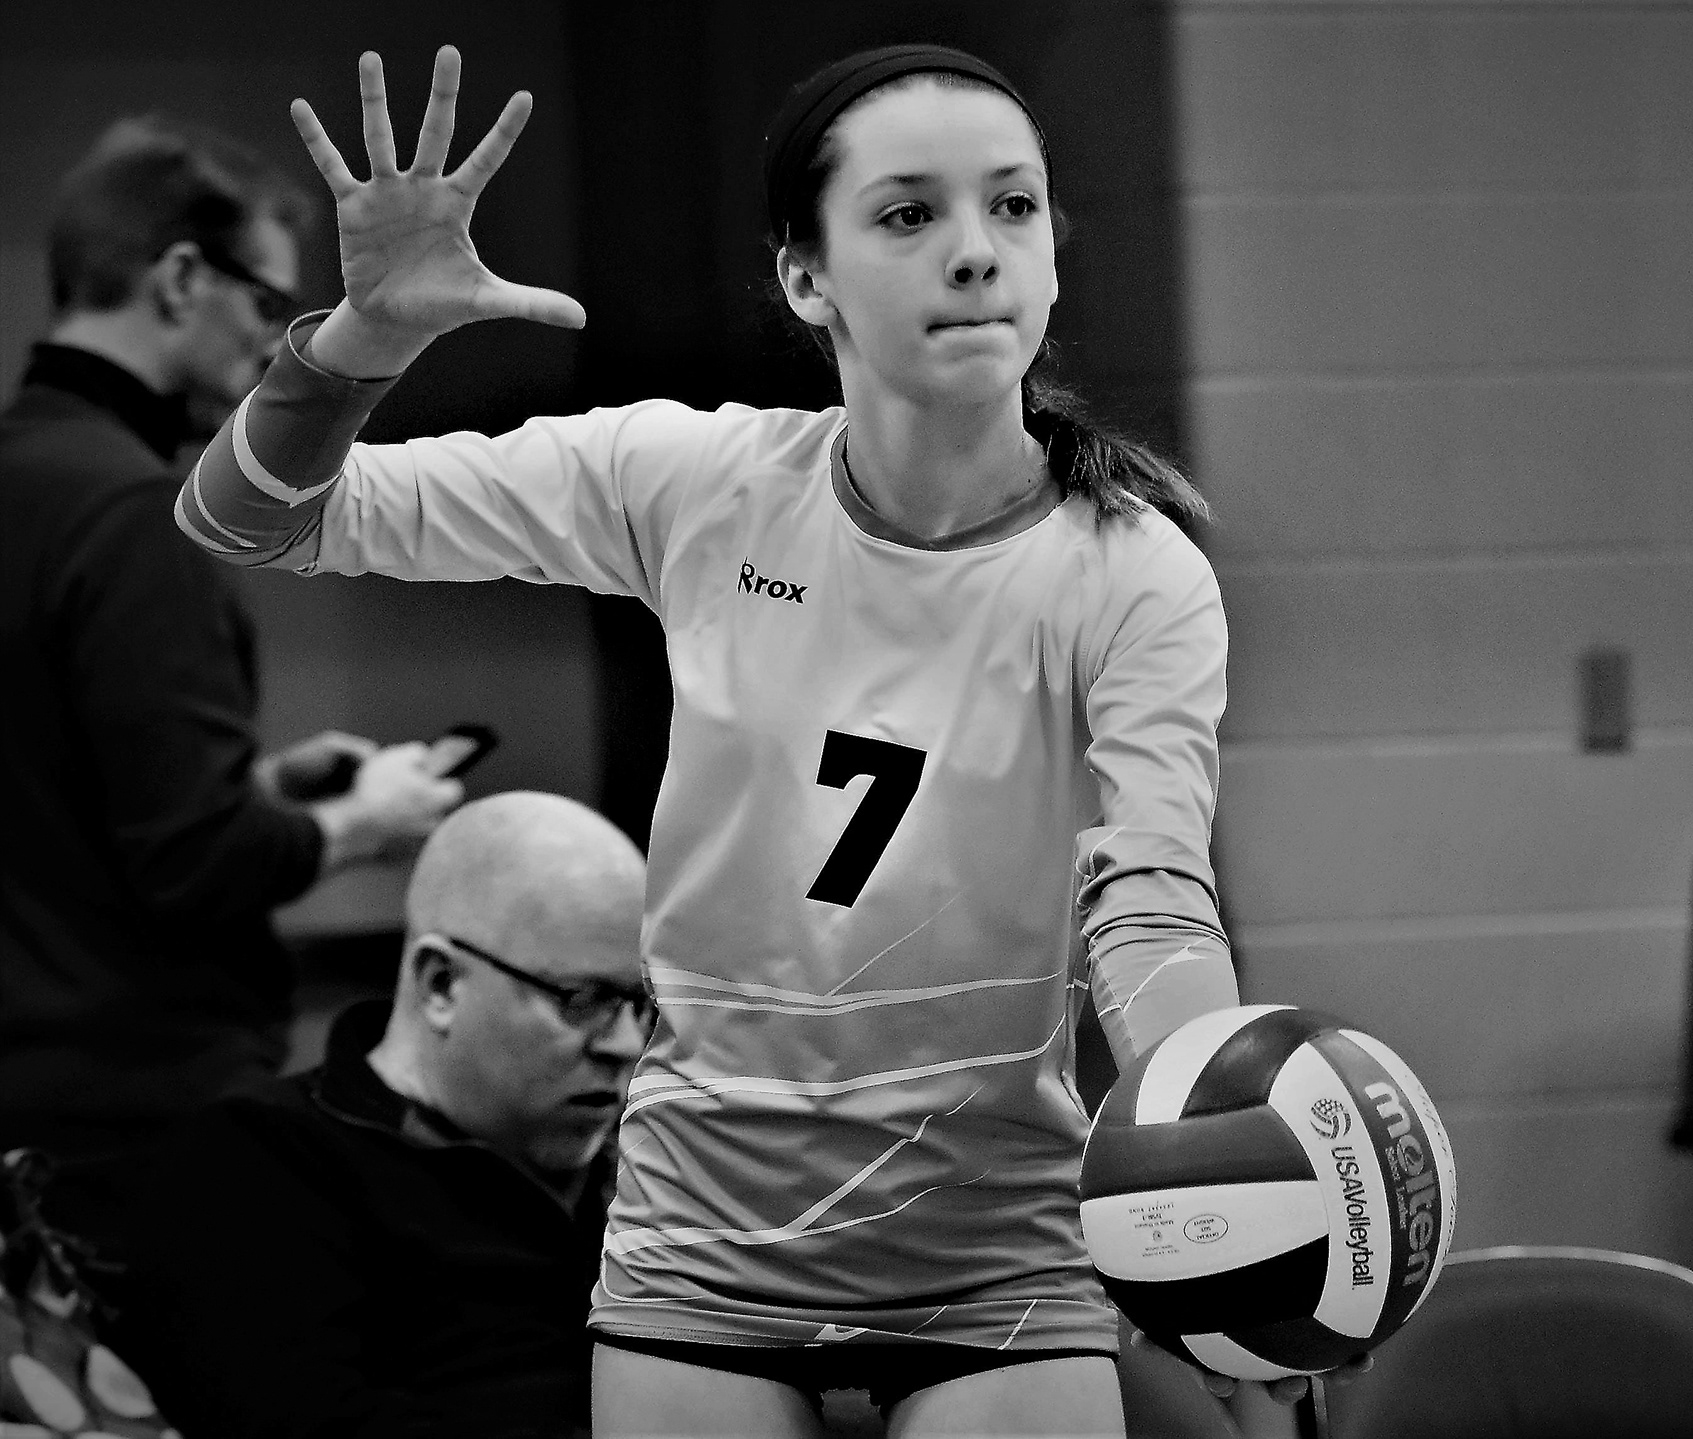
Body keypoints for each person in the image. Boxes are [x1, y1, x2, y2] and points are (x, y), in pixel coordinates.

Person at [173, 43, 1332, 1438]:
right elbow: (252, 516)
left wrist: (1213, 1167)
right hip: (705, 1241)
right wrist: (363, 339)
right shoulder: (697, 483)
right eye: (910, 213)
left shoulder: (1132, 572)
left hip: (993, 1241)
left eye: (1013, 205)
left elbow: (1149, 905)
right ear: (804, 278)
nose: (976, 250)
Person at [0, 115, 464, 1267]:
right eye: (268, 304)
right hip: (140, 1113)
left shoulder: (24, 478)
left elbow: (49, 791)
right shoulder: (133, 516)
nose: (275, 343)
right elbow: (197, 862)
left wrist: (255, 785)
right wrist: (364, 819)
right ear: (179, 280)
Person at [114, 791, 654, 1439]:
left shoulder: (650, 1167)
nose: (627, 1043)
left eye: (640, 1003)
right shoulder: (261, 1163)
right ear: (441, 984)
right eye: (584, 998)